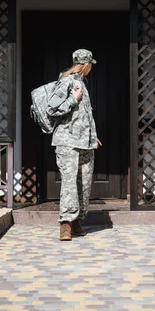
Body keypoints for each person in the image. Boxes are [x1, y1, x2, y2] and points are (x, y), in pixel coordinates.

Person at [46, 49, 101, 241]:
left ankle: (78, 222)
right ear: (86, 65)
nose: (91, 68)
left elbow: (85, 114)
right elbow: (52, 109)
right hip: (67, 142)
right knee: (69, 183)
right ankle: (66, 225)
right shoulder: (67, 81)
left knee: (84, 184)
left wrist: (93, 136)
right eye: (90, 65)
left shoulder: (82, 83)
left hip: (85, 142)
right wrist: (72, 99)